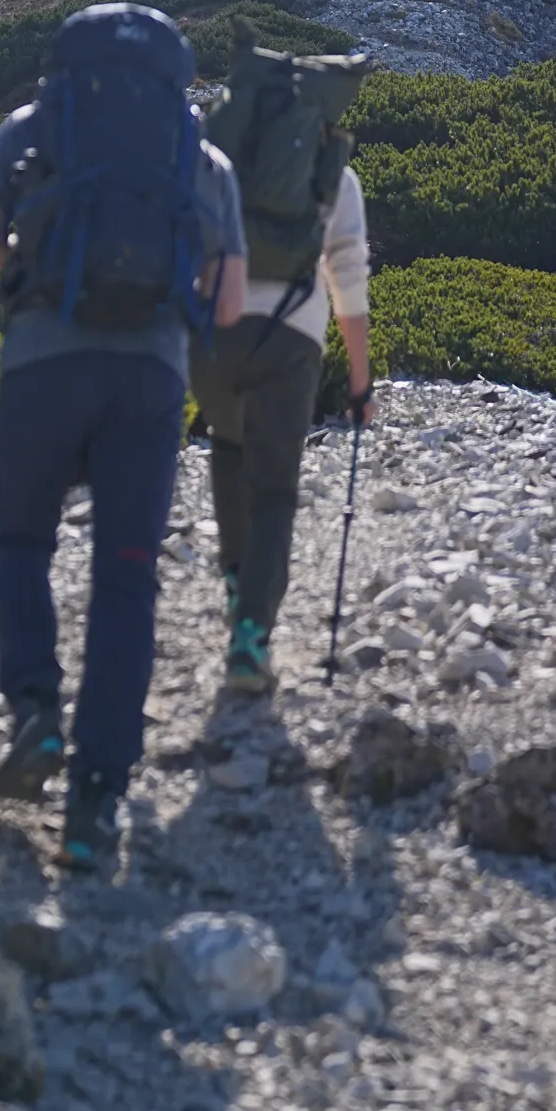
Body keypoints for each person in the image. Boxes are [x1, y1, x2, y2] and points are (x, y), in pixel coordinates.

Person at [0, 3, 246, 870]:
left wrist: (39, 261)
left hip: (40, 363)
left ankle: (36, 712)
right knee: (126, 577)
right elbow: (227, 307)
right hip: (149, 382)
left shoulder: (33, 127)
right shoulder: (203, 157)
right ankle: (96, 804)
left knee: (21, 546)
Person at [191, 76, 370, 696]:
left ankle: (238, 584)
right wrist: (359, 376)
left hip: (212, 333)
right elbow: (347, 275)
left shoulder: (220, 164)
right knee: (274, 491)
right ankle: (250, 638)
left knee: (229, 445)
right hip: (291, 339)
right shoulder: (333, 177)